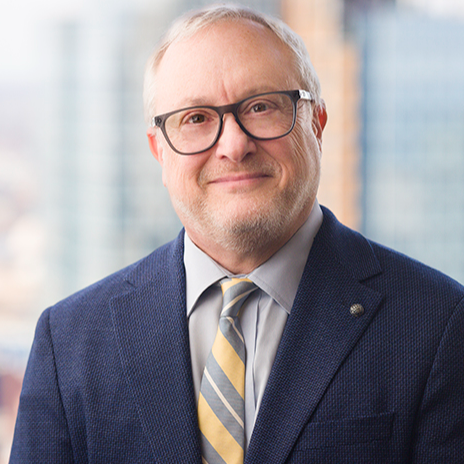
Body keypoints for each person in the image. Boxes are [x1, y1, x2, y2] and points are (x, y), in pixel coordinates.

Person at [10, 4, 464, 464]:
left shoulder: (438, 325)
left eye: (261, 107)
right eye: (196, 118)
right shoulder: (68, 343)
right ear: (159, 152)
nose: (233, 145)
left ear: (317, 124)